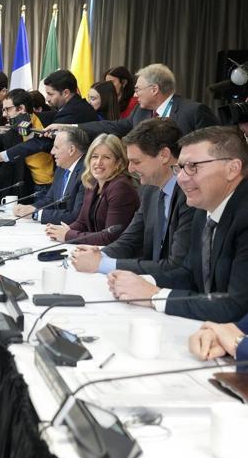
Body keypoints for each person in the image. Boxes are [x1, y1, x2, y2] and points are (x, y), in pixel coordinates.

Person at [108, 126, 248, 323]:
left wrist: (154, 296)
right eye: (179, 168)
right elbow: (188, 274)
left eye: (192, 166)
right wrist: (142, 283)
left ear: (232, 169)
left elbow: (235, 306)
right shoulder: (203, 210)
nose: (181, 178)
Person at [72, 118, 194, 275]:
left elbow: (176, 266)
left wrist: (103, 264)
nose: (130, 168)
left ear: (164, 155)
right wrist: (100, 255)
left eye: (136, 161)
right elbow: (129, 239)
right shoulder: (150, 190)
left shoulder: (190, 194)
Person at [0, 70, 98, 197]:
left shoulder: (71, 112)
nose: (47, 98)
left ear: (66, 93)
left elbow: (41, 142)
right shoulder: (74, 108)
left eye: (50, 94)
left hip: (79, 175)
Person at [49, 64, 219, 139]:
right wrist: (69, 127)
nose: (135, 95)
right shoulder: (141, 111)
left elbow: (212, 146)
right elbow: (112, 126)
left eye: (138, 89)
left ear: (154, 89)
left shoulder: (193, 111)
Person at [46, 133, 139, 245]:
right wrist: (62, 230)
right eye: (95, 156)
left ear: (118, 163)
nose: (98, 162)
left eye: (106, 157)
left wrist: (68, 235)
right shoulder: (93, 182)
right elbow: (82, 222)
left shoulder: (120, 187)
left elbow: (110, 237)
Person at [14, 128, 89, 224]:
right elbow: (50, 200)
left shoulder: (87, 173)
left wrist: (36, 214)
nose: (52, 152)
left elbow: (76, 216)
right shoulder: (62, 167)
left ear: (72, 150)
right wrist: (31, 208)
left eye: (56, 147)